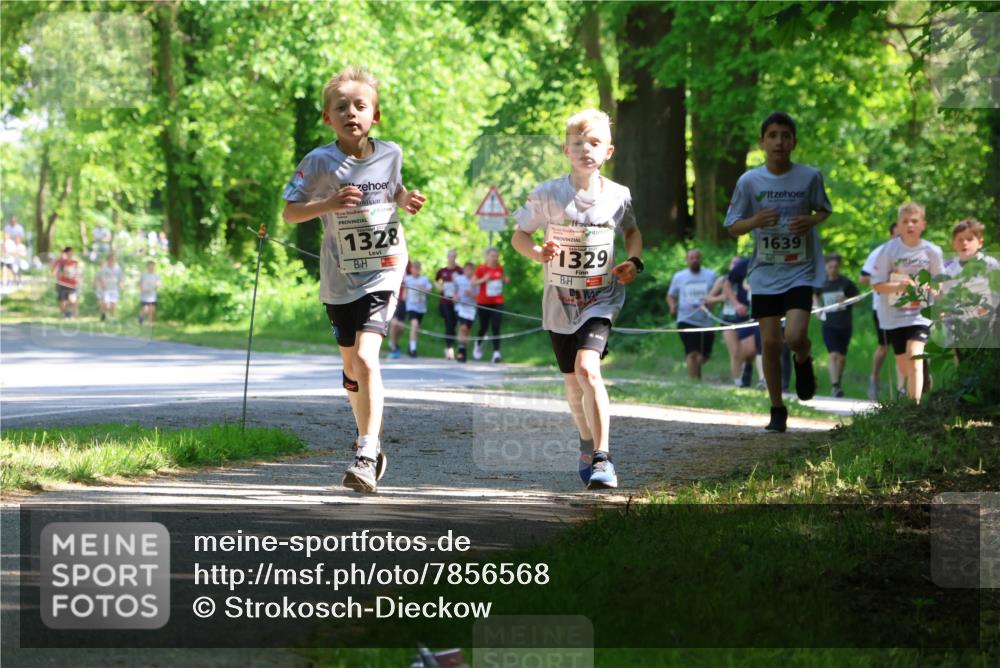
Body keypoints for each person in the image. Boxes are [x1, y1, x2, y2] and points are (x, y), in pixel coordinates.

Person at [281, 65, 426, 493]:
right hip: (339, 278)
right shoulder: (318, 161)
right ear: (328, 118)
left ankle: (366, 450)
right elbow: (290, 211)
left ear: (375, 115)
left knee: (366, 358)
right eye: (341, 107)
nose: (351, 113)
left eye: (360, 106)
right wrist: (327, 203)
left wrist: (405, 198)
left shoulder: (391, 153)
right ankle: (370, 443)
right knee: (350, 367)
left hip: (384, 267)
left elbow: (392, 189)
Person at [512, 108, 643, 490]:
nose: (586, 149)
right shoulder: (548, 194)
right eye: (578, 143)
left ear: (608, 151)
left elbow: (633, 233)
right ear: (566, 149)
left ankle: (603, 458)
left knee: (588, 370)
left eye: (595, 143)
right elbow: (520, 236)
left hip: (601, 297)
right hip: (560, 302)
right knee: (572, 383)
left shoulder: (618, 196)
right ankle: (586, 440)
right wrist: (537, 252)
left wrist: (633, 261)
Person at [725, 112, 832, 432]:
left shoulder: (810, 176)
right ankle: (777, 408)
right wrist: (755, 222)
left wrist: (810, 221)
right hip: (765, 271)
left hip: (801, 268)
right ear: (762, 142)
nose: (779, 142)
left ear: (794, 142)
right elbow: (732, 226)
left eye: (785, 136)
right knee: (770, 343)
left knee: (795, 335)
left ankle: (803, 359)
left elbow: (824, 209)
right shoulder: (749, 181)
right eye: (772, 135)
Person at [871, 202, 943, 404]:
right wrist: (899, 286)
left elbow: (940, 286)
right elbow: (876, 285)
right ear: (899, 226)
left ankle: (914, 408)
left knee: (914, 356)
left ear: (923, 224)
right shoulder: (888, 251)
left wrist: (930, 287)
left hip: (920, 315)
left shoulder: (932, 252)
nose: (910, 225)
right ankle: (918, 382)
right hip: (893, 317)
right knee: (904, 365)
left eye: (914, 221)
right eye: (905, 221)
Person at [940, 218, 999, 358]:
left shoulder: (991, 264)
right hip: (959, 324)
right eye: (959, 240)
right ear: (953, 243)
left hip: (988, 321)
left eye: (969, 239)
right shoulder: (948, 269)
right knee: (964, 361)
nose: (964, 243)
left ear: (980, 242)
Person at [860, 222, 902, 401]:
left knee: (904, 349)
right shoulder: (879, 253)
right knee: (884, 347)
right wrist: (885, 278)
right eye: (897, 236)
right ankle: (874, 379)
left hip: (907, 307)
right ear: (891, 236)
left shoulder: (917, 253)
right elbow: (863, 278)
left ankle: (902, 390)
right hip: (883, 306)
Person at [707, 256, 757, 387]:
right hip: (727, 320)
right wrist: (721, 298)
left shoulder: (744, 279)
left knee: (749, 350)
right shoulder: (722, 280)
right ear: (729, 265)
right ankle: (738, 382)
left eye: (737, 263)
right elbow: (708, 299)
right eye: (733, 263)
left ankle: (747, 367)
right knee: (734, 352)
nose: (735, 265)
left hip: (743, 318)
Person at [667, 249, 717, 380]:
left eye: (697, 257)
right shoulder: (679, 276)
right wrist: (672, 306)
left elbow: (716, 294)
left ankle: (696, 374)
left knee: (703, 355)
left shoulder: (711, 275)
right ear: (687, 260)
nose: (694, 260)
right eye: (691, 258)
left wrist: (711, 304)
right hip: (686, 319)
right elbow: (670, 295)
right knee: (692, 352)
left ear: (701, 259)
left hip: (706, 320)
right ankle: (693, 381)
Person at [814, 253, 859, 397]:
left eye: (835, 267)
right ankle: (834, 385)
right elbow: (814, 295)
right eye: (830, 267)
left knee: (841, 357)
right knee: (833, 354)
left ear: (839, 267)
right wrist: (816, 308)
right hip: (829, 323)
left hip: (845, 324)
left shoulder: (845, 282)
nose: (833, 269)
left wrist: (846, 299)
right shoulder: (821, 282)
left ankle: (837, 383)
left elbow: (858, 299)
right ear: (826, 267)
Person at [471, 247, 508, 363]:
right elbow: (473, 283)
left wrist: (505, 280)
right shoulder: (481, 269)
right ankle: (478, 344)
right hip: (483, 302)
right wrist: (483, 279)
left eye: (496, 256)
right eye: (492, 256)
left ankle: (496, 353)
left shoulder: (500, 268)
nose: (494, 258)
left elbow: (501, 280)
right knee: (484, 327)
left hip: (497, 302)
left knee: (496, 326)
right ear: (486, 256)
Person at [435, 249, 461, 360]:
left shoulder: (460, 271)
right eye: (450, 256)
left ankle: (455, 346)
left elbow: (464, 283)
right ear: (447, 257)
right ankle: (449, 348)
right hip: (445, 301)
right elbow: (436, 280)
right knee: (449, 322)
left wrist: (457, 295)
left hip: (456, 301)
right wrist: (439, 287)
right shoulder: (442, 271)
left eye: (453, 256)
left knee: (455, 324)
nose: (451, 258)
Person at [403, 260, 433, 357]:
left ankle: (411, 345)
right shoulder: (408, 279)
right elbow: (403, 289)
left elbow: (429, 289)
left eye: (418, 269)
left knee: (416, 328)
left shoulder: (424, 279)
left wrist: (422, 289)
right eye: (414, 268)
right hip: (411, 306)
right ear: (411, 269)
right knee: (414, 324)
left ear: (420, 270)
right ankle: (413, 350)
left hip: (421, 307)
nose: (416, 271)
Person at [387, 259, 411, 359]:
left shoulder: (408, 263)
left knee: (400, 327)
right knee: (394, 323)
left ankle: (395, 343)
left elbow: (411, 278)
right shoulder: (390, 259)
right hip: (392, 297)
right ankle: (392, 347)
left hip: (402, 300)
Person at [453, 261, 477, 362]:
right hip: (461, 307)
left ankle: (463, 350)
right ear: (464, 270)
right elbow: (454, 292)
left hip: (471, 308)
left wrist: (471, 294)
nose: (468, 272)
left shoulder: (476, 281)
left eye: (470, 270)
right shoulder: (458, 279)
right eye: (466, 269)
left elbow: (480, 296)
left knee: (467, 330)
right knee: (462, 327)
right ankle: (460, 352)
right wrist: (455, 297)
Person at [52, 246, 80, 318]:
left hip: (73, 284)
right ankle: (64, 314)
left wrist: (78, 278)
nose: (71, 254)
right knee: (62, 302)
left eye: (72, 252)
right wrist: (63, 273)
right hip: (63, 284)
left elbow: (78, 272)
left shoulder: (75, 262)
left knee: (73, 300)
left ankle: (72, 315)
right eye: (69, 252)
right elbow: (55, 272)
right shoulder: (61, 262)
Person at [96, 253, 123, 322]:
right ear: (107, 260)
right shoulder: (104, 268)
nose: (112, 261)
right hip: (106, 289)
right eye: (110, 259)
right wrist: (102, 284)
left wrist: (121, 283)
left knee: (113, 304)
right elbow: (99, 277)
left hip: (114, 289)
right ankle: (103, 315)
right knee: (106, 305)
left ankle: (113, 318)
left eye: (113, 259)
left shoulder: (118, 268)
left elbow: (121, 278)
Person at [139, 260, 161, 325]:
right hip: (145, 294)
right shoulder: (144, 274)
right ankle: (141, 316)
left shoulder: (156, 275)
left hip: (152, 294)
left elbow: (158, 283)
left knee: (152, 309)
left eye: (153, 266)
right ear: (148, 267)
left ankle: (150, 322)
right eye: (150, 266)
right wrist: (142, 289)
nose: (151, 268)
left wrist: (157, 285)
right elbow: (140, 283)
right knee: (145, 309)